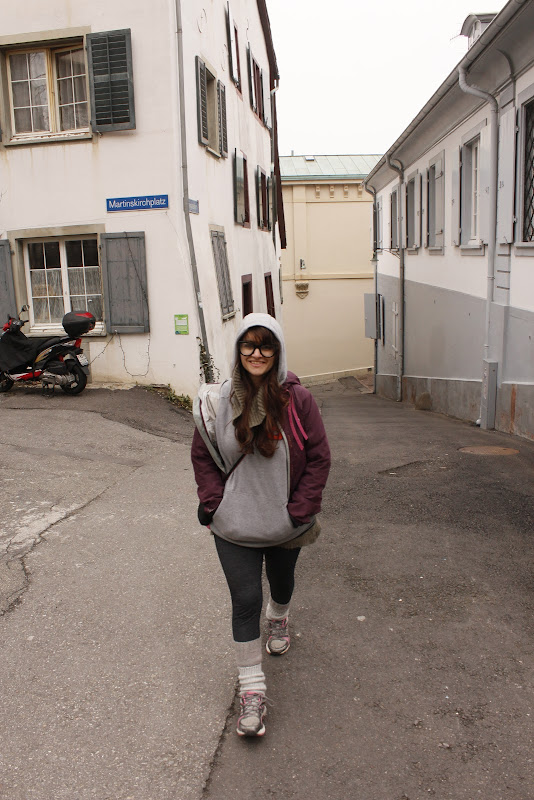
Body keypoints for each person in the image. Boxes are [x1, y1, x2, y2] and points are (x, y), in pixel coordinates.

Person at [191, 313, 331, 737]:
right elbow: (203, 454)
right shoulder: (217, 400)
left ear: (277, 350)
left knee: (281, 584)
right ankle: (252, 690)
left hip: (285, 523)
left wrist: (299, 512)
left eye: (265, 345)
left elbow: (320, 457)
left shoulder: (297, 400)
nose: (256, 353)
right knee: (246, 599)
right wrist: (215, 504)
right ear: (238, 349)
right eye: (248, 344)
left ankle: (280, 616)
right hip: (233, 525)